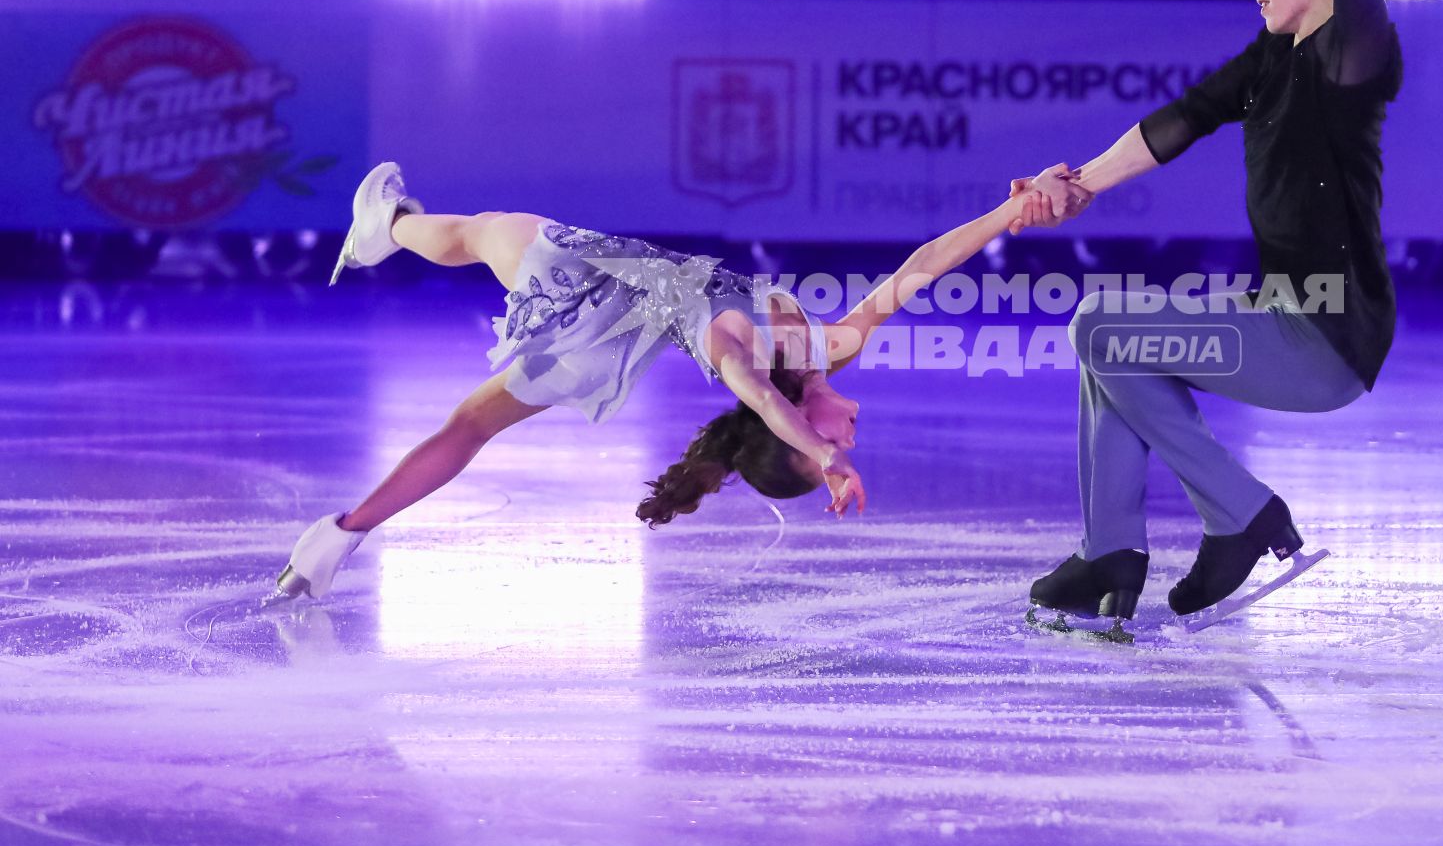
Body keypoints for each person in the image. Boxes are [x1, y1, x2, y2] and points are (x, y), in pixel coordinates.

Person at [1010, 0, 1443, 637]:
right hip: (1277, 319)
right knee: (1108, 345)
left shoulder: (1354, 53)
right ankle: (1116, 557)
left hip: (1329, 336)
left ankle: (1235, 516)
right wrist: (1079, 182)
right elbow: (1178, 122)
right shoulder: (1267, 62)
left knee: (1102, 326)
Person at [268, 161, 1075, 601]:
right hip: (608, 343)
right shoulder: (831, 350)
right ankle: (338, 536)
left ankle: (391, 226)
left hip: (591, 288)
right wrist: (1006, 215)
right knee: (468, 425)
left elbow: (763, 402)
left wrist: (824, 460)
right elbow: (921, 267)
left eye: (833, 444)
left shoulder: (744, 359)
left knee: (487, 233)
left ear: (797, 431)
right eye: (838, 445)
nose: (851, 437)